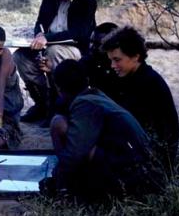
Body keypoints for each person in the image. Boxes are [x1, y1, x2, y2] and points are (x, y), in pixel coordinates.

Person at [44, 59, 164, 202]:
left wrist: (59, 174)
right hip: (144, 166)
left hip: (132, 174)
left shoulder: (85, 103)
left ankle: (65, 189)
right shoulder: (96, 96)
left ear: (59, 89)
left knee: (58, 123)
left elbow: (75, 154)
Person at [13, 0, 97, 125]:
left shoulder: (87, 3)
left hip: (73, 50)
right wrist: (38, 35)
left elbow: (79, 34)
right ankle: (42, 103)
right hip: (46, 45)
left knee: (54, 52)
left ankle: (61, 106)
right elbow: (40, 22)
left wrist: (47, 39)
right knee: (20, 57)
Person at [101, 26, 179, 172]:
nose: (113, 65)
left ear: (135, 56)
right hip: (142, 148)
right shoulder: (129, 77)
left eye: (117, 60)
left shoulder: (149, 83)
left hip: (152, 159)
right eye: (111, 60)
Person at [79, 22, 119, 100]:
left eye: (98, 44)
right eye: (91, 42)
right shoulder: (88, 61)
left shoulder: (120, 67)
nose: (92, 47)